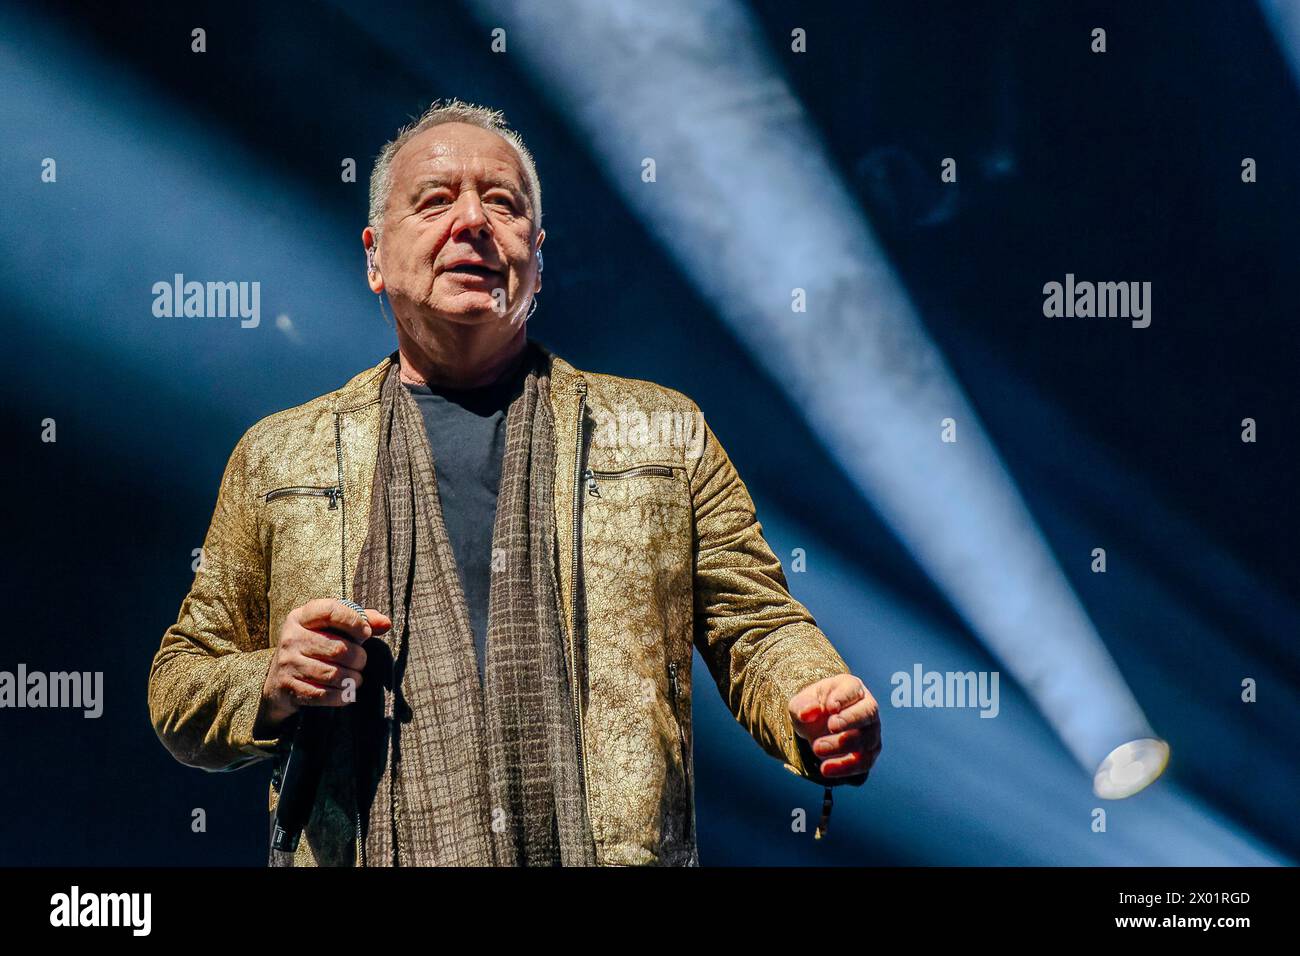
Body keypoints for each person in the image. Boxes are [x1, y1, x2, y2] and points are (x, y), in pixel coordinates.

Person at [148, 98, 881, 866]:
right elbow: (179, 684)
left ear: (538, 255)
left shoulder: (662, 431)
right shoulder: (281, 457)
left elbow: (756, 625)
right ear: (373, 256)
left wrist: (815, 698)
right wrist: (272, 678)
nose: (471, 222)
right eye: (434, 201)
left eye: (502, 203)